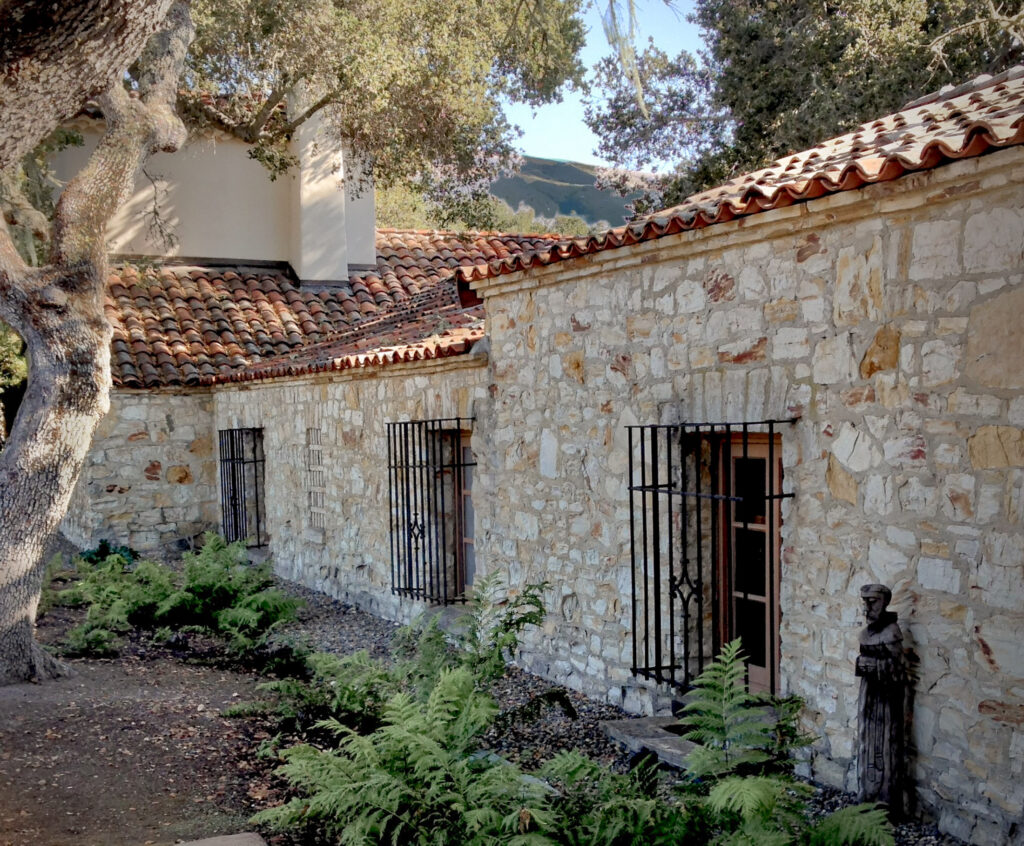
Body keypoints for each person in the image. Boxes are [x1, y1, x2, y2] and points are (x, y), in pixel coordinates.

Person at [855, 583, 905, 815]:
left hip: (886, 696)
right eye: (864, 601)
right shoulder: (867, 633)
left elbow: (898, 669)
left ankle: (886, 799)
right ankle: (867, 792)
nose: (867, 606)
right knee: (867, 738)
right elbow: (863, 657)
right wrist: (861, 664)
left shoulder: (892, 633)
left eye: (872, 601)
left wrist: (876, 665)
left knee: (884, 743)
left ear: (884, 603)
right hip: (869, 693)